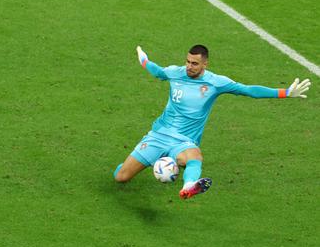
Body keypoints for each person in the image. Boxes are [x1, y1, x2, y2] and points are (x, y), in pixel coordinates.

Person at [114, 45, 311, 199]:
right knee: (121, 177)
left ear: (205, 64)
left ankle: (188, 186)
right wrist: (143, 58)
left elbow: (248, 90)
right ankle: (143, 161)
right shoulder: (176, 72)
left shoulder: (216, 82)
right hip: (159, 135)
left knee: (194, 158)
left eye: (194, 64)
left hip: (184, 141)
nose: (189, 67)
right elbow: (156, 71)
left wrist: (285, 93)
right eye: (188, 61)